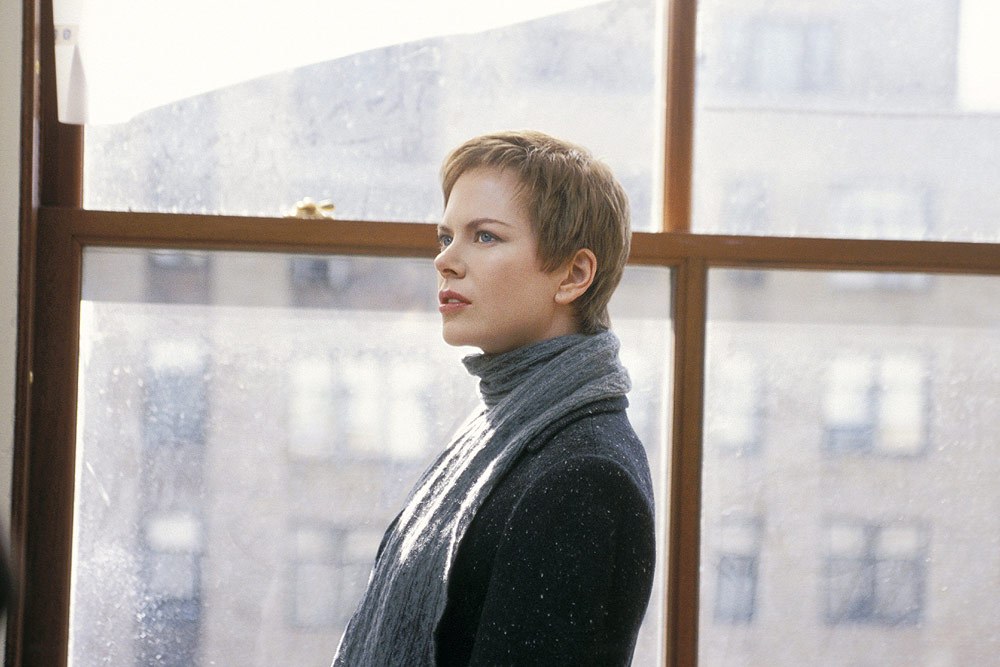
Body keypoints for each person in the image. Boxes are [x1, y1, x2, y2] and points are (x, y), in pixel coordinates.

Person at [332, 130, 655, 666]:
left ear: (574, 275)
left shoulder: (584, 475)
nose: (445, 261)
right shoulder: (498, 428)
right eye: (446, 237)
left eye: (484, 237)